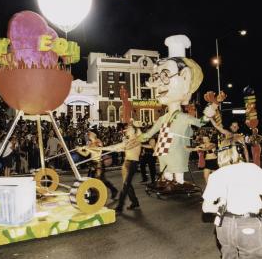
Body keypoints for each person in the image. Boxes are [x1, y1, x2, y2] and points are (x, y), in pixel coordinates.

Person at [138, 35, 217, 184]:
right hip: (163, 152)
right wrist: (139, 138)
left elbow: (200, 122)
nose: (158, 84)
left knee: (178, 174)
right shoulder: (163, 118)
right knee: (166, 174)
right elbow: (150, 132)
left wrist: (212, 107)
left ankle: (178, 182)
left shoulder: (182, 117)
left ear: (185, 78)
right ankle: (168, 181)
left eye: (165, 76)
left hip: (177, 151)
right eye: (156, 77)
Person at [202, 141, 262, 259]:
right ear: (239, 152)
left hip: (223, 225)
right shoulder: (252, 168)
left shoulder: (216, 175)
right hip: (248, 224)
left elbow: (206, 207)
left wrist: (222, 204)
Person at [103, 124, 141, 214]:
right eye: (127, 128)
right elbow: (115, 146)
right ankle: (135, 202)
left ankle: (120, 207)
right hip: (126, 163)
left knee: (126, 185)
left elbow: (125, 147)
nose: (127, 129)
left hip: (132, 163)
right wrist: (101, 148)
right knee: (127, 185)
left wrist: (121, 147)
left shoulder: (137, 139)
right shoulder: (127, 140)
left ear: (134, 131)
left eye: (129, 128)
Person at [76, 131, 118, 200]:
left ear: (94, 134)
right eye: (88, 133)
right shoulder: (90, 143)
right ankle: (93, 195)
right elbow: (86, 154)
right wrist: (79, 150)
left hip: (99, 164)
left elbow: (98, 149)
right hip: (92, 164)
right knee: (90, 180)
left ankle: (99, 195)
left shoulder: (98, 141)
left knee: (99, 180)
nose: (89, 134)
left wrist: (86, 148)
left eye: (90, 133)